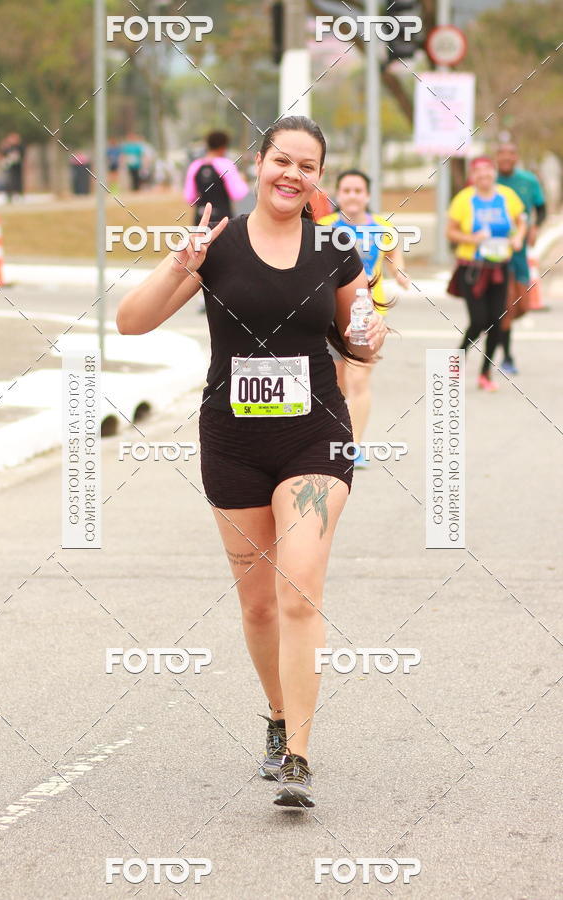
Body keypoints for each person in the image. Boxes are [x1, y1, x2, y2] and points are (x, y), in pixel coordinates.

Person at [116, 115, 388, 810]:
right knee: (259, 603)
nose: (293, 174)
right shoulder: (219, 244)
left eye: (308, 165)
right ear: (259, 163)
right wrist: (181, 260)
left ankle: (297, 751)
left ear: (319, 178)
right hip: (232, 442)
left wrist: (372, 334)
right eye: (282, 160)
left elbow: (356, 342)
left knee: (298, 588)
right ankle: (275, 715)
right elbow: (131, 322)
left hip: (314, 440)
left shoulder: (334, 247)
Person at [318, 169, 410, 467]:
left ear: (368, 195)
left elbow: (395, 253)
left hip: (368, 316)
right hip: (329, 316)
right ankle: (333, 435)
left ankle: (353, 446)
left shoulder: (382, 228)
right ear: (338, 194)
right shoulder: (323, 227)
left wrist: (400, 272)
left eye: (359, 190)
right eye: (347, 190)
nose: (353, 196)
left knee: (359, 379)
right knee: (336, 383)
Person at [447, 157, 526, 391]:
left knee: (497, 321)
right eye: (478, 174)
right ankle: (456, 361)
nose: (484, 177)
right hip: (472, 268)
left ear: (493, 173)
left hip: (499, 267)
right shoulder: (464, 199)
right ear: (473, 176)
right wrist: (471, 239)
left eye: (487, 172)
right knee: (479, 320)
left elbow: (521, 221)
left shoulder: (507, 196)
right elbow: (450, 232)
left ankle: (485, 374)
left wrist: (519, 237)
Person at [496, 141, 548, 374]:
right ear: (496, 157)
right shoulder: (490, 181)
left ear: (516, 157)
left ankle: (496, 324)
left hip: (520, 251)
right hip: (497, 252)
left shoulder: (528, 181)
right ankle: (507, 356)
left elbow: (541, 208)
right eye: (501, 154)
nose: (506, 158)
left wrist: (534, 227)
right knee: (507, 304)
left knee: (524, 305)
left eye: (510, 154)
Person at [183, 130, 249, 226]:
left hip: (200, 219)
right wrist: (243, 180)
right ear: (224, 146)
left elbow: (189, 197)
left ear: (208, 145)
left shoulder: (195, 166)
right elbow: (237, 194)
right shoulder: (226, 165)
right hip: (223, 220)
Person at [0, 132, 24, 201]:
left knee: (17, 180)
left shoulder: (20, 147)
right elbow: (2, 155)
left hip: (17, 167)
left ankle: (18, 194)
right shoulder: (7, 147)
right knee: (8, 181)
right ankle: (9, 195)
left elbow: (22, 156)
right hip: (9, 168)